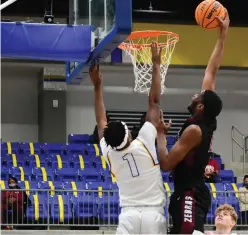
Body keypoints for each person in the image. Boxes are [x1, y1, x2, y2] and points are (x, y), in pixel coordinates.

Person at [156, 12, 230, 234]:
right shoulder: (206, 119)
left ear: (201, 107)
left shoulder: (195, 130)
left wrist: (160, 134)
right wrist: (223, 34)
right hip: (188, 191)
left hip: (190, 193)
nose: (194, 95)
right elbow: (211, 71)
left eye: (197, 96)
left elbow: (167, 163)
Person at [90, 42, 168, 234]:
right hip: (153, 214)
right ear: (129, 133)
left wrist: (97, 86)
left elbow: (101, 121)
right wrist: (156, 65)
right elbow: (154, 101)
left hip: (129, 215)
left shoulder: (110, 152)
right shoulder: (144, 142)